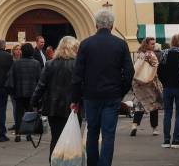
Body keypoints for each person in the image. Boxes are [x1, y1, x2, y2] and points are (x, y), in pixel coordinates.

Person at [71, 9, 133, 166]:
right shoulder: (120, 44)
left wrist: (75, 98)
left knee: (92, 132)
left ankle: (92, 163)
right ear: (112, 25)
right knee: (108, 134)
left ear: (96, 24)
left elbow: (77, 74)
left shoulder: (85, 44)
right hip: (112, 95)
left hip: (91, 95)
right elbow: (129, 72)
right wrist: (121, 91)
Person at [33, 35, 78, 160]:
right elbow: (81, 86)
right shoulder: (77, 65)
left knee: (56, 137)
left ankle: (54, 161)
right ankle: (69, 162)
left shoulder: (49, 64)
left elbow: (40, 86)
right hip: (73, 108)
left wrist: (33, 102)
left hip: (53, 108)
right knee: (72, 139)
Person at [158, 33, 179, 149]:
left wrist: (164, 82)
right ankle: (176, 140)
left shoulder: (164, 53)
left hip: (167, 87)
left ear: (171, 42)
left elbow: (159, 71)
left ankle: (166, 140)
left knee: (167, 113)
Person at [7, 42, 42, 142]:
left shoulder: (16, 63)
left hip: (19, 93)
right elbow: (39, 80)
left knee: (18, 115)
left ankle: (17, 134)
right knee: (30, 114)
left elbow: (11, 79)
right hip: (31, 94)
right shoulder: (36, 63)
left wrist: (12, 92)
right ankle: (28, 135)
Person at [129, 37, 161, 137]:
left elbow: (135, 68)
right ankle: (154, 128)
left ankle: (134, 126)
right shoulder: (151, 54)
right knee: (153, 105)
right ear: (146, 44)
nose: (153, 45)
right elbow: (156, 67)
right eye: (152, 44)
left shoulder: (139, 54)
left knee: (140, 104)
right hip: (148, 83)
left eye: (154, 44)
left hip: (138, 83)